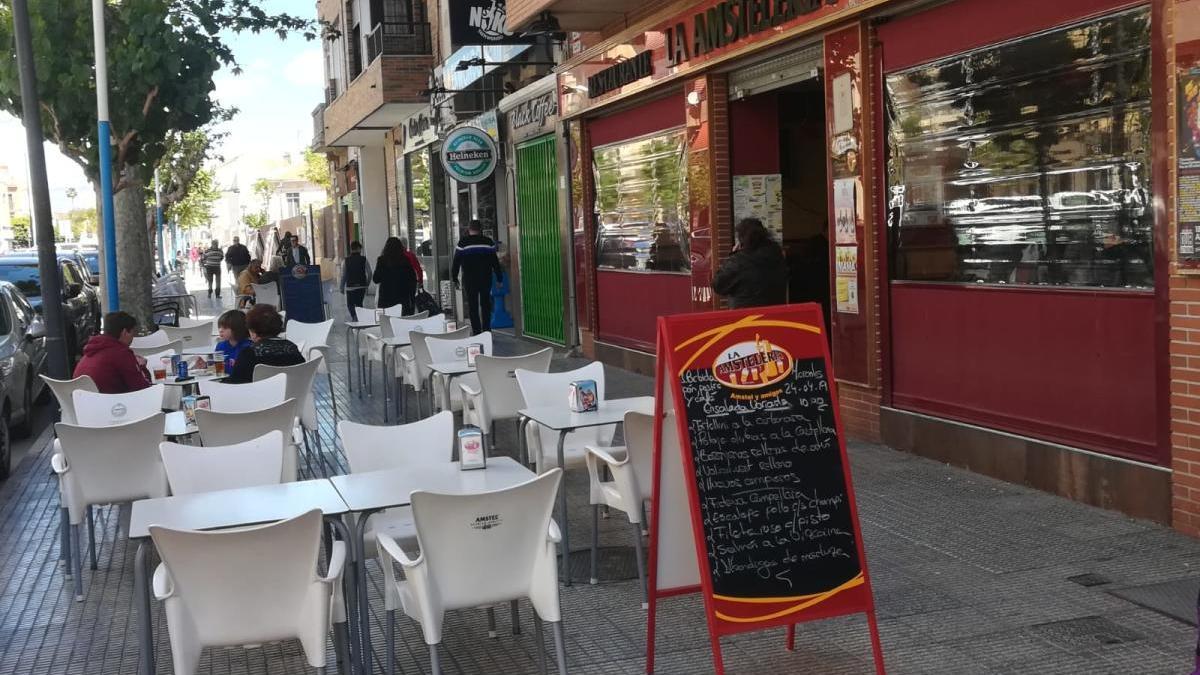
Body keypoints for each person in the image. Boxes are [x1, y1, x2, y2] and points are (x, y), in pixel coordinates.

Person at [712, 217, 788, 308]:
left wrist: (733, 255)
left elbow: (718, 285)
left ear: (741, 240)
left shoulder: (739, 261)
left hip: (746, 317)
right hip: (775, 316)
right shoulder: (777, 256)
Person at [73, 311, 151, 394]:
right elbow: (143, 389)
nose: (133, 338)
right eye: (132, 333)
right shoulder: (121, 353)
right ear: (124, 332)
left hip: (81, 404)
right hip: (110, 404)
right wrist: (142, 367)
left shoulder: (90, 352)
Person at [226, 304, 305, 383]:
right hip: (293, 394)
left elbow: (235, 384)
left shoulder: (249, 353)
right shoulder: (292, 348)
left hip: (258, 394)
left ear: (252, 331)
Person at [451, 219, 503, 335]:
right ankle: (486, 330)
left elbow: (456, 262)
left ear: (469, 229)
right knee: (486, 304)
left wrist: (454, 278)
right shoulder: (488, 242)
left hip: (470, 279)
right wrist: (499, 278)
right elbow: (495, 262)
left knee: (472, 305)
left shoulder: (463, 243)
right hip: (486, 278)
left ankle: (476, 331)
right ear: (480, 230)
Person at [373, 236, 417, 314]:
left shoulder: (381, 261)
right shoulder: (405, 260)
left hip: (385, 300)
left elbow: (376, 279)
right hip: (402, 300)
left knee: (386, 322)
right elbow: (412, 280)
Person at [340, 241, 372, 320]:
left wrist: (341, 286)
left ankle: (354, 316)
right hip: (361, 286)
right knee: (359, 304)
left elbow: (343, 275)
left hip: (350, 287)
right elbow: (370, 273)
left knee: (350, 304)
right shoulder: (364, 259)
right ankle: (360, 318)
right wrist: (367, 284)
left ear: (351, 249)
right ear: (358, 249)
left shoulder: (345, 261)